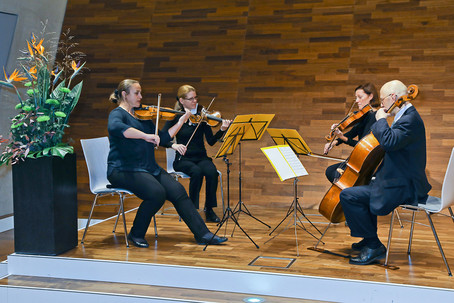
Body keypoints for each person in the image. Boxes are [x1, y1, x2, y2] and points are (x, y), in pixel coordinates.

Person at [106, 79, 228, 248]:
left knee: (178, 191)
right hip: (123, 169)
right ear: (125, 95)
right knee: (157, 193)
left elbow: (164, 138)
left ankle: (203, 234)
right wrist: (145, 136)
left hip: (147, 168)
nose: (141, 96)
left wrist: (180, 121)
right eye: (137, 93)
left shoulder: (141, 116)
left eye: (141, 92)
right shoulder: (117, 114)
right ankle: (136, 233)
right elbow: (116, 128)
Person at [339, 80, 431, 265]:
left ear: (393, 98)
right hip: (399, 179)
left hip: (404, 186)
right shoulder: (407, 116)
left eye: (382, 101)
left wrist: (381, 119)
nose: (382, 105)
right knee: (363, 189)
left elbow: (389, 142)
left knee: (348, 195)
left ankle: (374, 245)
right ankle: (368, 239)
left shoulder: (409, 119)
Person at [162, 85, 231, 223]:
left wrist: (222, 129)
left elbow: (211, 141)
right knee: (196, 172)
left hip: (200, 157)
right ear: (182, 101)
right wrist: (173, 145)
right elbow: (163, 138)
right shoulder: (176, 117)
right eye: (191, 98)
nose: (195, 101)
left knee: (212, 172)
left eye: (195, 98)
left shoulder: (202, 117)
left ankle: (209, 210)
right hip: (183, 159)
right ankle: (192, 211)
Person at [324, 83, 380, 183]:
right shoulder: (365, 115)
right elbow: (352, 133)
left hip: (366, 162)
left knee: (333, 173)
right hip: (359, 159)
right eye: (356, 97)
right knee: (331, 172)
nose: (357, 101)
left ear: (371, 96)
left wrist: (342, 137)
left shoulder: (375, 117)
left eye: (360, 97)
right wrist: (333, 142)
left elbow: (363, 146)